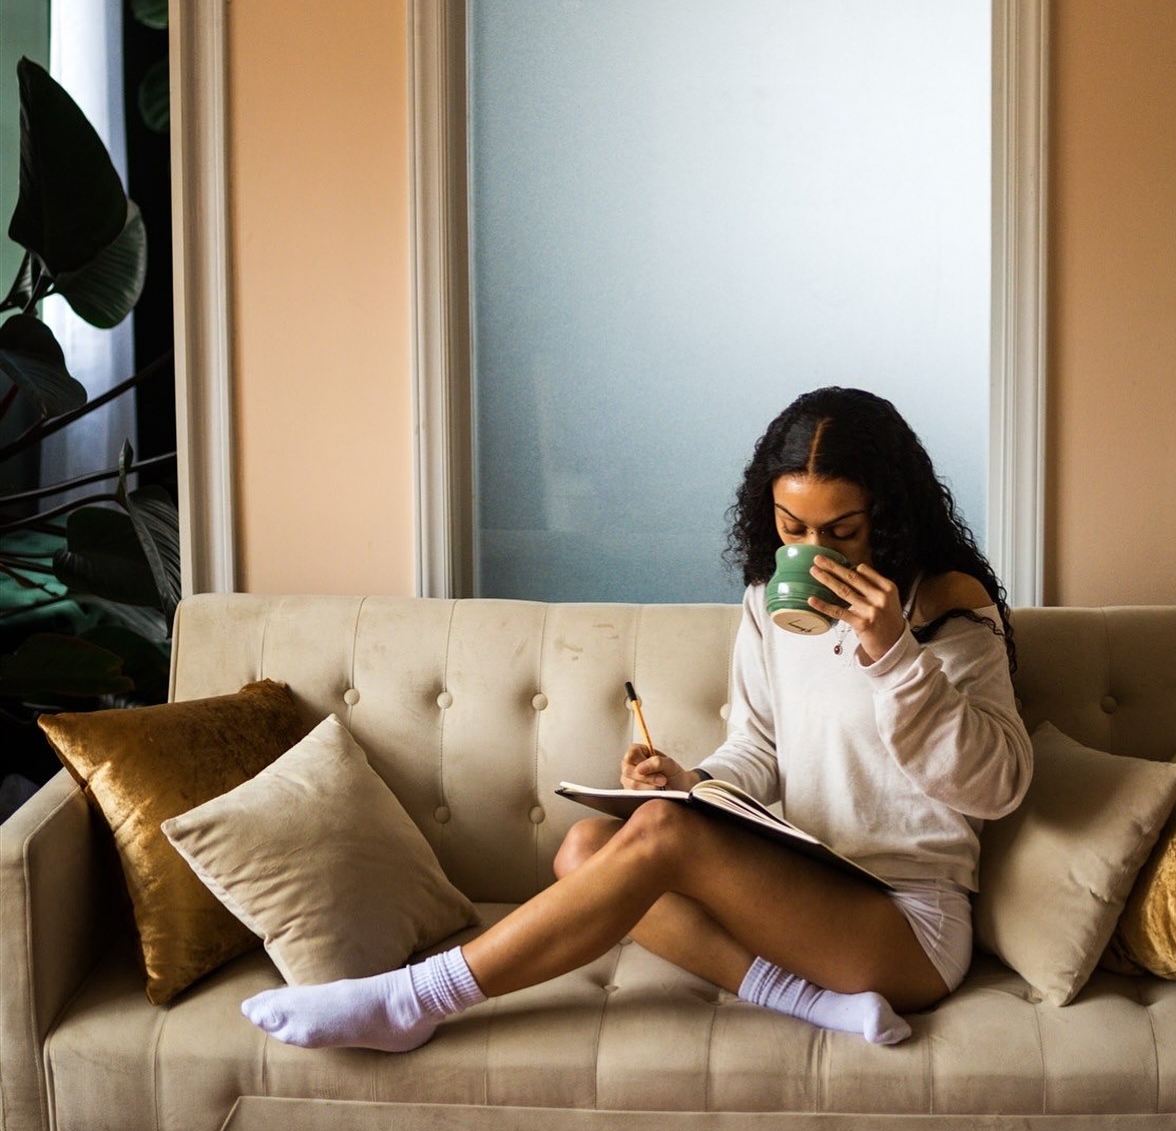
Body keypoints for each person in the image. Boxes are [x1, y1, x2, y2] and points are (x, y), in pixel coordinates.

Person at [240, 386, 1032, 1054]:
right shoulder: (768, 601)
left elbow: (995, 787)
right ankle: (818, 1004)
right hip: (807, 883)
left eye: (843, 531)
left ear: (887, 519)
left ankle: (414, 1001)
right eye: (793, 529)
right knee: (586, 845)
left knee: (660, 836)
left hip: (909, 922)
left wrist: (894, 655)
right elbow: (760, 744)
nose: (812, 551)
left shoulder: (944, 611)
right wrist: (696, 783)